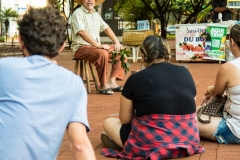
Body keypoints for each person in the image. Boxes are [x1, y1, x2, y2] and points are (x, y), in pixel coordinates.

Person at [0, 7, 96, 160]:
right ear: (62, 46)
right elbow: (79, 145)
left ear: (20, 40)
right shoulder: (74, 83)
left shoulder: (3, 68)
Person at [100, 35, 205, 159]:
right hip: (188, 140)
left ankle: (126, 143)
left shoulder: (136, 78)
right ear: (168, 54)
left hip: (150, 144)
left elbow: (125, 120)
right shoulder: (185, 72)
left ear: (143, 56)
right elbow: (191, 106)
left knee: (109, 123)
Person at [197, 24, 240, 144]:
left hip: (235, 130)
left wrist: (208, 89)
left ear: (232, 42)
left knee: (189, 119)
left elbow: (217, 91)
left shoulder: (229, 68)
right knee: (198, 110)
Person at [71, 0, 124, 95]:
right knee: (102, 53)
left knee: (120, 51)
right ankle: (103, 85)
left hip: (95, 48)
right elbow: (81, 32)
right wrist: (98, 45)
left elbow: (106, 28)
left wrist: (116, 42)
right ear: (82, 1)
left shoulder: (96, 14)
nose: (90, 0)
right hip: (81, 48)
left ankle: (112, 82)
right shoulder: (77, 13)